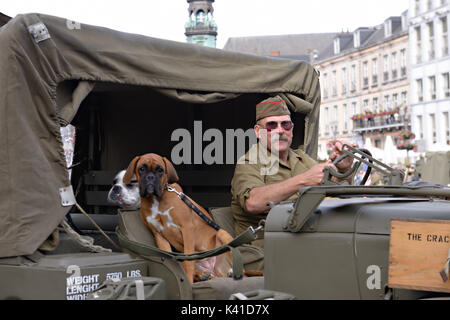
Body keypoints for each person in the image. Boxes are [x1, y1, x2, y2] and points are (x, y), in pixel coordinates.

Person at [230, 95, 354, 248]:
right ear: (258, 132)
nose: (280, 130)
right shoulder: (249, 162)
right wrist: (304, 180)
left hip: (305, 241)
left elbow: (336, 191)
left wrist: (344, 169)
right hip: (265, 249)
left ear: (292, 129)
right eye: (271, 125)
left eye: (285, 124)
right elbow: (253, 203)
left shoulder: (301, 158)